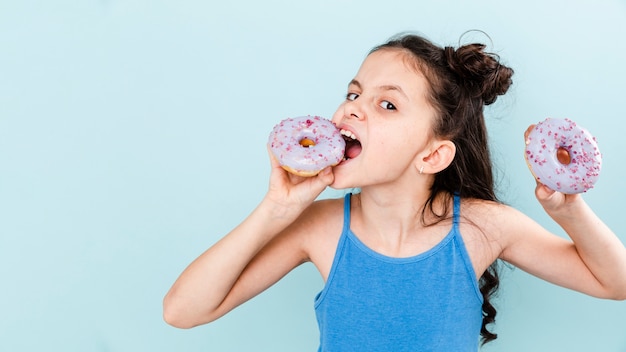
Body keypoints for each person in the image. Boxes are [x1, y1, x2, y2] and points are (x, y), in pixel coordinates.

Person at [163, 32, 626, 351]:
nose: (352, 111)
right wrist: (274, 209)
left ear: (432, 156)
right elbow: (182, 311)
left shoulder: (484, 227)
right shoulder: (320, 227)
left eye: (386, 104)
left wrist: (568, 211)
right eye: (353, 93)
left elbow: (615, 283)